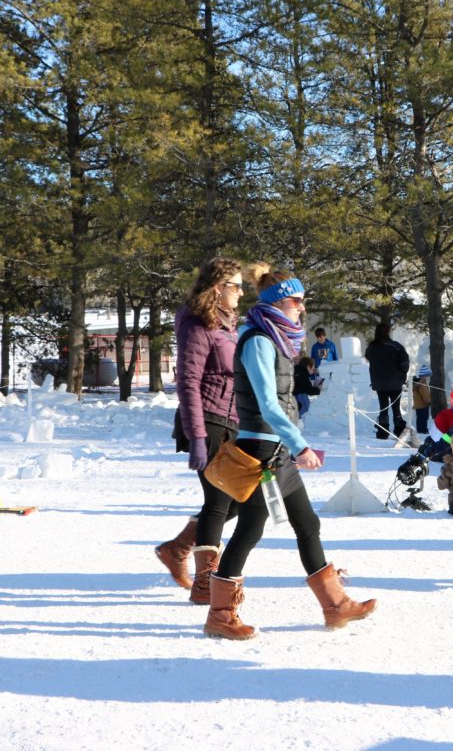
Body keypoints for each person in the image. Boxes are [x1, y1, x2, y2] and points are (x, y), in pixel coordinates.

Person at [204, 263, 376, 640]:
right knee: (250, 528)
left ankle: (335, 606)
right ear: (280, 302)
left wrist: (293, 444)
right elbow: (268, 404)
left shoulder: (274, 337)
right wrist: (300, 446)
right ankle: (219, 614)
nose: (303, 307)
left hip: (274, 447)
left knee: (306, 523)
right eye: (298, 300)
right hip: (259, 448)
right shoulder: (258, 340)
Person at [156, 258, 244, 604]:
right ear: (218, 288)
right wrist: (196, 438)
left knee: (237, 498)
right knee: (219, 501)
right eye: (235, 285)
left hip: (230, 421)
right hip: (207, 421)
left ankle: (178, 548)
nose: (240, 292)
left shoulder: (227, 324)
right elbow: (188, 383)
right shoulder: (198, 325)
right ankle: (206, 585)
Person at [365, 323, 410, 439]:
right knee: (396, 408)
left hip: (379, 383)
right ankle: (399, 430)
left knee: (383, 407)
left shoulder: (372, 347)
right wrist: (402, 373)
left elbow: (368, 357)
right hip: (395, 382)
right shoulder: (396, 346)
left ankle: (383, 431)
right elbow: (405, 364)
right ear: (388, 332)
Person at [412, 365, 432, 434]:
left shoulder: (419, 383)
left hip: (419, 405)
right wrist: (429, 401)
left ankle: (421, 430)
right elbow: (425, 396)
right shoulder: (422, 384)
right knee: (423, 418)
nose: (429, 377)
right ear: (425, 376)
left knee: (420, 418)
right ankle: (423, 431)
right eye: (428, 375)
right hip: (423, 405)